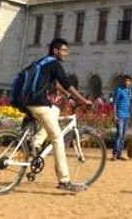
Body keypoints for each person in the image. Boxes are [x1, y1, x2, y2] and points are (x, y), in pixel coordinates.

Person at [24, 38, 93, 192]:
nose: (66, 53)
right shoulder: (55, 64)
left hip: (27, 101)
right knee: (57, 138)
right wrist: (83, 100)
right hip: (39, 103)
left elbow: (55, 83)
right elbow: (67, 84)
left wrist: (68, 97)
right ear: (55, 51)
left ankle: (36, 143)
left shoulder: (42, 62)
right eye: (64, 50)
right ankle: (64, 180)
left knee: (55, 111)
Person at [112, 74, 132, 160]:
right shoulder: (118, 89)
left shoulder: (129, 91)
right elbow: (114, 103)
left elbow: (130, 103)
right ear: (123, 81)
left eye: (128, 81)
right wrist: (114, 115)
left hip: (127, 115)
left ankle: (119, 154)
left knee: (123, 135)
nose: (127, 82)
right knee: (119, 134)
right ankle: (114, 154)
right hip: (119, 115)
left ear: (130, 82)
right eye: (125, 80)